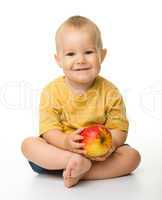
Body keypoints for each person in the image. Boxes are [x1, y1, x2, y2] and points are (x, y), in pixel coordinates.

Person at [21, 15, 141, 188]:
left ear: (102, 55)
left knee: (132, 157)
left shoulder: (111, 92)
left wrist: (111, 145)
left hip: (101, 153)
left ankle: (81, 171)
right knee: (29, 145)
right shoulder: (51, 91)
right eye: (70, 54)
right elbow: (49, 130)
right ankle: (73, 162)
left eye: (89, 52)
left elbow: (118, 128)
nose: (80, 60)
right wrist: (65, 143)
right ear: (59, 60)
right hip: (60, 151)